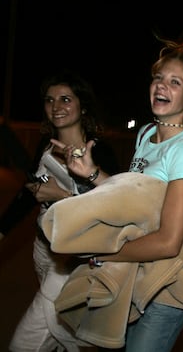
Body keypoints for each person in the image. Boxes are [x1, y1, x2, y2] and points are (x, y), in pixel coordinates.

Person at [51, 24, 183, 352]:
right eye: (159, 78)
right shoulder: (146, 135)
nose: (161, 86)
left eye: (175, 82)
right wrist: (92, 174)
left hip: (170, 283)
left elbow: (168, 241)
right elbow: (135, 201)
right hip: (141, 270)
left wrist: (103, 254)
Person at [9, 69, 120, 352]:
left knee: (30, 339)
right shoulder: (46, 147)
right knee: (63, 324)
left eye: (65, 99)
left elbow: (117, 208)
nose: (56, 107)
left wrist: (62, 196)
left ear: (82, 106)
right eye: (49, 100)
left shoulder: (100, 151)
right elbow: (28, 194)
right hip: (44, 249)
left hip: (74, 255)